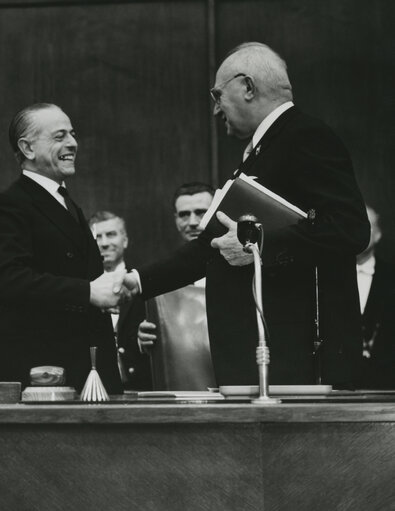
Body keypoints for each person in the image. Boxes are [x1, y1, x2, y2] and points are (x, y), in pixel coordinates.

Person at [124, 42, 369, 387]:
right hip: (265, 356)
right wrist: (136, 281)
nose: (215, 110)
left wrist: (256, 246)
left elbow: (350, 229)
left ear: (248, 88)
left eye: (217, 94)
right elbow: (211, 247)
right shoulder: (264, 148)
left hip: (298, 360)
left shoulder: (306, 136)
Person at [0, 103, 124, 393]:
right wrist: (88, 292)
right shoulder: (9, 205)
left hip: (84, 366)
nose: (73, 143)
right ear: (28, 148)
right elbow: (5, 279)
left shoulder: (67, 202)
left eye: (72, 134)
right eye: (59, 137)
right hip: (45, 374)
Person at [137, 183, 217, 390]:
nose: (192, 222)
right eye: (184, 214)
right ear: (175, 219)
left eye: (201, 212)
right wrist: (142, 339)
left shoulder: (243, 269)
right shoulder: (159, 274)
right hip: (179, 388)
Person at [89, 211, 150, 390]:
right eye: (97, 237)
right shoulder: (82, 288)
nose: (104, 243)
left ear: (125, 240)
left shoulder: (145, 282)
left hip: (142, 387)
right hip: (95, 388)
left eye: (111, 235)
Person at [356, 205, 395, 389]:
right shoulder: (325, 276)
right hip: (339, 387)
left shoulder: (391, 277)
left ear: (378, 234)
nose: (359, 230)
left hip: (386, 386)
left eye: (367, 224)